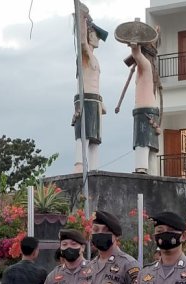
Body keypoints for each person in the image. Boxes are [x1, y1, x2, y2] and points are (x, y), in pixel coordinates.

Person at [73, 2, 108, 173]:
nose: (97, 38)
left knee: (95, 138)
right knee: (83, 134)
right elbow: (80, 40)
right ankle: (79, 166)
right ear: (89, 35)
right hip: (84, 97)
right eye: (95, 34)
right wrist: (82, 18)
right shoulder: (85, 53)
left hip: (95, 99)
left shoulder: (96, 59)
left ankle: (94, 168)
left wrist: (102, 103)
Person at [128, 40, 161, 174]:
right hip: (150, 111)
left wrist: (135, 45)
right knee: (150, 149)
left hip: (145, 112)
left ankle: (142, 168)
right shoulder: (147, 70)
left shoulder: (146, 65)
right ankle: (151, 172)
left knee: (143, 145)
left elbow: (136, 54)